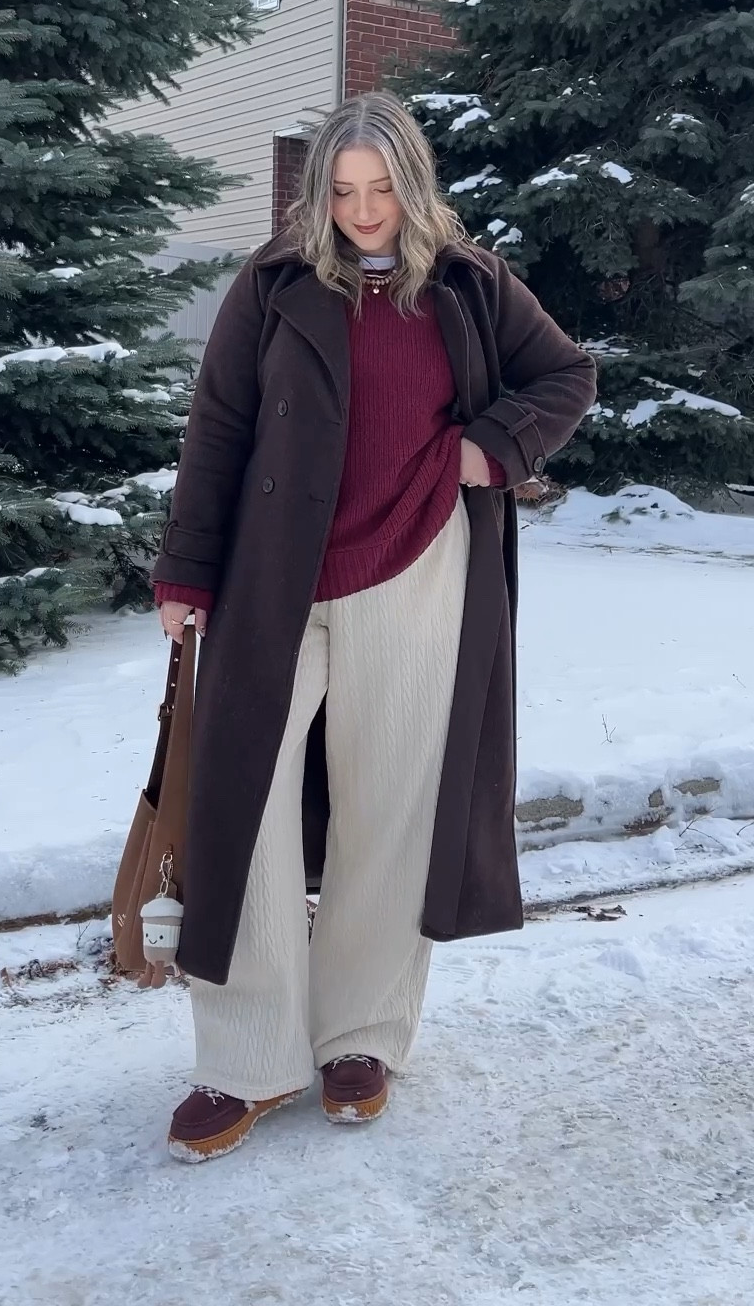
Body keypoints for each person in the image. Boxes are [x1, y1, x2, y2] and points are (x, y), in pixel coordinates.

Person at [151, 92, 596, 1162]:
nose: (362, 210)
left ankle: (360, 1035)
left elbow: (566, 376)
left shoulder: (473, 283)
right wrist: (185, 568)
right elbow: (216, 428)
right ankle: (245, 1058)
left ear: (413, 183)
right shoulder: (272, 286)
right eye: (342, 191)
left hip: (421, 565)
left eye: (380, 188)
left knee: (391, 804)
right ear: (318, 193)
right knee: (241, 803)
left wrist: (484, 452)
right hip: (277, 580)